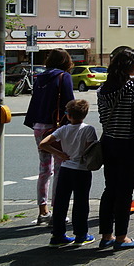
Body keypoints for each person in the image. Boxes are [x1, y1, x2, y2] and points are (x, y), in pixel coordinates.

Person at [97, 48, 134, 250]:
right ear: (128, 66)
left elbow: (103, 119)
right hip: (129, 144)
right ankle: (121, 237)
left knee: (110, 189)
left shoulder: (102, 89)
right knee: (125, 191)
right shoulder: (133, 86)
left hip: (109, 143)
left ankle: (106, 236)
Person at [23, 48, 75, 225]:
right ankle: (58, 211)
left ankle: (43, 211)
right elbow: (69, 102)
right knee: (61, 168)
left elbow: (34, 102)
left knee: (44, 169)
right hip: (56, 128)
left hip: (39, 126)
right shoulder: (64, 77)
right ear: (65, 61)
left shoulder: (40, 78)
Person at [39, 99, 97, 247]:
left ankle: (57, 235)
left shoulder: (63, 129)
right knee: (81, 202)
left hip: (65, 169)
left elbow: (43, 144)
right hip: (82, 170)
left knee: (61, 203)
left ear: (68, 115)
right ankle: (81, 235)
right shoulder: (88, 129)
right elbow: (91, 150)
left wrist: (60, 154)